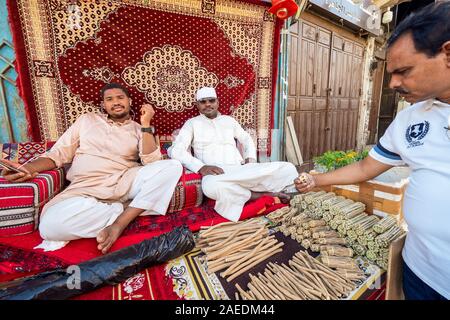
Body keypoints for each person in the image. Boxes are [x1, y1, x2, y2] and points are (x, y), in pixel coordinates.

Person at [295, 2, 450, 300]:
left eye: (403, 71)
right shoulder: (410, 117)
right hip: (418, 270)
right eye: (390, 72)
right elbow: (367, 167)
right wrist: (316, 181)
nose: (393, 84)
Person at [1, 83, 183, 253]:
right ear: (104, 105)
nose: (116, 102)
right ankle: (129, 208)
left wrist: (145, 124)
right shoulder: (87, 120)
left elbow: (152, 161)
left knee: (172, 166)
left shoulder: (138, 129)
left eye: (120, 97)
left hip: (123, 181)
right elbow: (58, 153)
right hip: (84, 188)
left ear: (129, 101)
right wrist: (28, 168)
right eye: (109, 99)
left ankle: (120, 223)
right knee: (50, 227)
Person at [168, 87, 298, 222]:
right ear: (197, 105)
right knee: (210, 188)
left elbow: (246, 139)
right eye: (203, 102)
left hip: (240, 169)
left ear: (217, 102)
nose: (208, 104)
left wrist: (251, 159)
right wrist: (201, 167)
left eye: (211, 100)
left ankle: (245, 192)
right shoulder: (192, 124)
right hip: (217, 174)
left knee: (287, 168)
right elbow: (176, 150)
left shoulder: (229, 121)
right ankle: (264, 194)